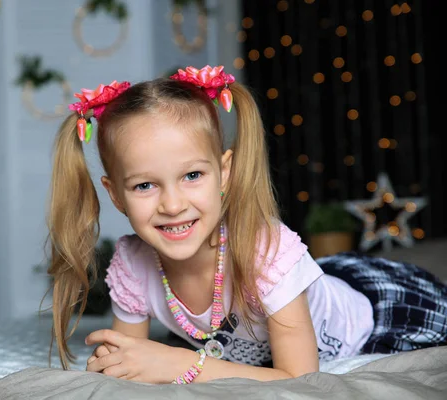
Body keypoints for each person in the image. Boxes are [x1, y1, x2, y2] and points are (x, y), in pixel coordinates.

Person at [46, 65, 447, 384]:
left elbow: (299, 379)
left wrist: (179, 364)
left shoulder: (264, 253)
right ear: (115, 194)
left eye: (192, 176)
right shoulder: (133, 264)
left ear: (225, 173)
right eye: (145, 185)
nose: (172, 204)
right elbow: (129, 364)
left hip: (376, 310)